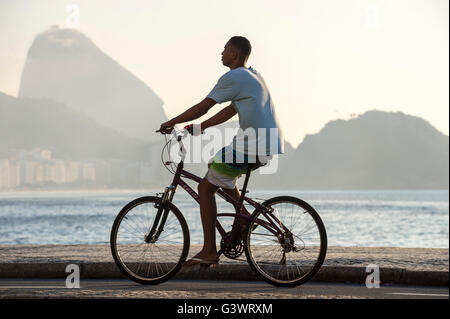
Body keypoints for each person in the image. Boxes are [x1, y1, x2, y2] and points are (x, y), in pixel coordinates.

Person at [159, 36, 284, 266]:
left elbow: (203, 106)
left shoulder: (233, 77)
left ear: (234, 54)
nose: (221, 52)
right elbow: (230, 111)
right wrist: (201, 127)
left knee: (205, 189)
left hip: (253, 143)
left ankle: (209, 250)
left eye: (225, 49)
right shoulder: (253, 75)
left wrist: (171, 122)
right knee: (215, 166)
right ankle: (245, 217)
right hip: (268, 142)